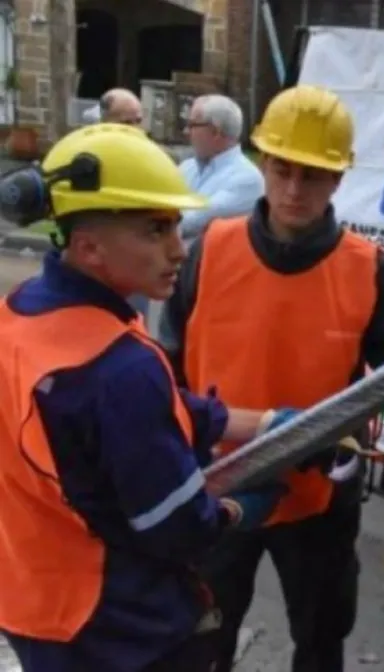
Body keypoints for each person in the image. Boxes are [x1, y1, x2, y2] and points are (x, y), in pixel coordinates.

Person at [157, 84, 384, 672]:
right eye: (283, 169)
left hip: (318, 500)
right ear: (262, 163)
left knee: (320, 645)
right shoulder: (210, 250)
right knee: (203, 644)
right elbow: (164, 369)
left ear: (338, 179)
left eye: (314, 176)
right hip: (217, 488)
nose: (295, 189)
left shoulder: (367, 271)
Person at [0, 123, 296, 672]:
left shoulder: (21, 312)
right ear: (89, 248)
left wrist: (267, 424)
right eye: (155, 231)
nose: (179, 250)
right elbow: (178, 527)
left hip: (30, 597)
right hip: (116, 627)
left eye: (177, 228)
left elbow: (141, 419)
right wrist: (236, 509)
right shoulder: (121, 369)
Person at [177, 94, 265, 247]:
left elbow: (188, 223)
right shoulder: (187, 167)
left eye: (192, 125)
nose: (186, 131)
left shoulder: (247, 180)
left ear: (216, 133)